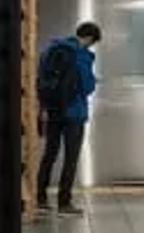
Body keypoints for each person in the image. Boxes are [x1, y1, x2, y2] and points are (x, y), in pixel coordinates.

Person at [35, 21, 102, 217]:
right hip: (74, 112)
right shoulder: (81, 55)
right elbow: (87, 86)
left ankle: (40, 200)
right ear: (89, 38)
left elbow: (41, 80)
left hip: (53, 111)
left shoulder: (50, 49)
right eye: (92, 42)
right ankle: (64, 203)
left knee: (50, 154)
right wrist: (93, 80)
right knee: (71, 158)